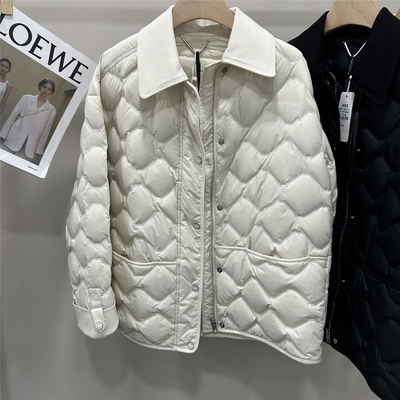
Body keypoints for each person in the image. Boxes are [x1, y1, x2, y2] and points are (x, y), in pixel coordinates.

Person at [0, 78, 56, 160]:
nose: (45, 90)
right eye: (44, 87)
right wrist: (3, 134)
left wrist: (39, 149)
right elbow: (13, 116)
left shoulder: (51, 110)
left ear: (51, 92)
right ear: (40, 86)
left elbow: (46, 131)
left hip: (29, 145)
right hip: (14, 137)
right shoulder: (26, 98)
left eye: (49, 89)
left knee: (17, 165)